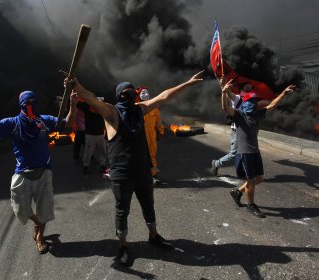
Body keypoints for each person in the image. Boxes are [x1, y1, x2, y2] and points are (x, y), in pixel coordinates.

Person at [65, 70, 203, 266]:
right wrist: (77, 87)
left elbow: (164, 95)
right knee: (122, 210)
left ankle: (153, 235)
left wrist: (187, 83)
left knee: (148, 205)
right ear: (119, 95)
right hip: (121, 175)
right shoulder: (111, 112)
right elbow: (92, 99)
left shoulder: (140, 110)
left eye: (132, 92)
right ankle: (122, 245)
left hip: (143, 171)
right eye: (125, 93)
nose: (129, 95)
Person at [0, 85, 77, 254]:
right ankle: (37, 222)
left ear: (37, 103)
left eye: (32, 102)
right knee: (20, 209)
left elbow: (68, 124)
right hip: (22, 173)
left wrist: (72, 105)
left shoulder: (44, 120)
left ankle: (40, 238)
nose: (29, 105)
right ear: (20, 105)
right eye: (26, 102)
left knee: (44, 210)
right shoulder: (13, 123)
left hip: (44, 171)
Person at [220, 79, 295, 218]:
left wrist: (284, 93)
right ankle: (251, 205)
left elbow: (272, 104)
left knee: (259, 178)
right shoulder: (239, 115)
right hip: (244, 153)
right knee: (250, 181)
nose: (253, 103)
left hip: (255, 151)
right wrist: (224, 93)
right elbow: (225, 108)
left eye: (255, 101)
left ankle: (237, 192)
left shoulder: (257, 114)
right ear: (244, 103)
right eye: (250, 101)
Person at [136, 86, 165, 185]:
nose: (145, 95)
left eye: (146, 92)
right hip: (139, 138)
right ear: (138, 95)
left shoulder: (154, 108)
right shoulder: (135, 107)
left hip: (151, 138)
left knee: (152, 156)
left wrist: (161, 132)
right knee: (139, 157)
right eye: (142, 93)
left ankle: (153, 176)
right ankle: (139, 177)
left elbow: (158, 122)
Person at [77, 99, 108, 176]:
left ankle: (102, 166)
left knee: (102, 151)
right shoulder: (87, 107)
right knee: (88, 152)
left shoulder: (102, 109)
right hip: (90, 135)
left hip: (100, 134)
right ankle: (85, 167)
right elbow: (78, 104)